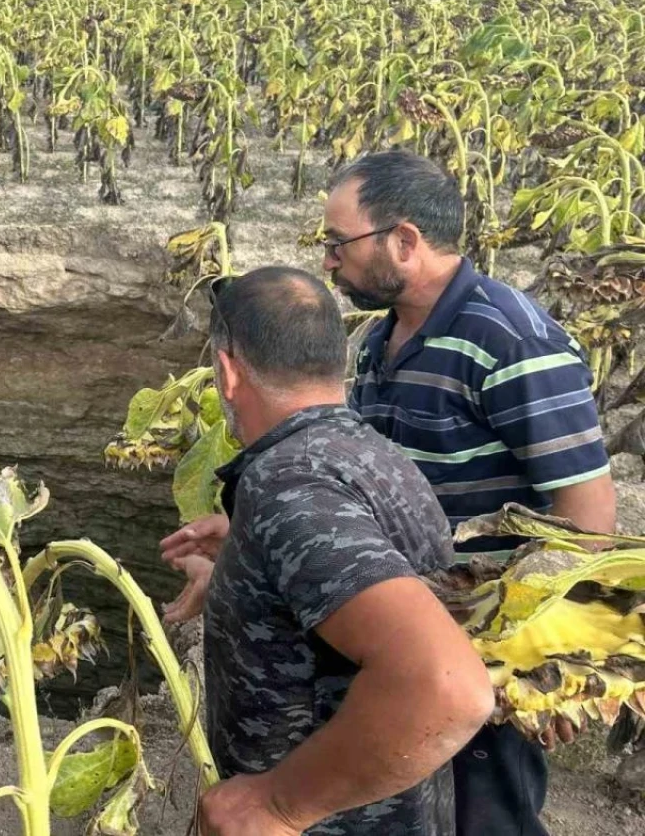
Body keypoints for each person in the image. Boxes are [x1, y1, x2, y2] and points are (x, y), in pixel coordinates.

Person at [318, 149, 615, 836]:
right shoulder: (379, 340)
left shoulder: (510, 338)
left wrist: (547, 657)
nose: (330, 261)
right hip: (408, 626)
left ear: (405, 240)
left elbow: (588, 512)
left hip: (486, 637)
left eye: (339, 243)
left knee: (488, 812)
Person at [165, 266, 494, 836]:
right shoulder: (370, 452)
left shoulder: (291, 487)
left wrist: (276, 804)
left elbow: (446, 684)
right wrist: (246, 556)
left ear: (226, 371)